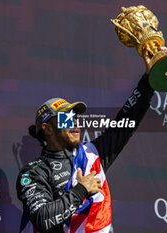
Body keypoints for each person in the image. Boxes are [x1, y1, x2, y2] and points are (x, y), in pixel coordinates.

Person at [16, 47, 156, 233]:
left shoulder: (91, 154)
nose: (74, 122)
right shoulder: (34, 172)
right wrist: (81, 190)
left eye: (75, 116)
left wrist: (149, 80)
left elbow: (126, 123)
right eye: (65, 118)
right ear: (47, 128)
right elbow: (42, 219)